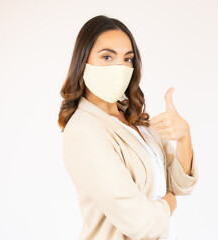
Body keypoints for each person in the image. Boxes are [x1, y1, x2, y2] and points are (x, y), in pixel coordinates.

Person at [58, 15, 199, 240]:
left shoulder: (138, 120)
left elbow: (180, 185)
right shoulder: (83, 132)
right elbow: (139, 223)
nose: (120, 68)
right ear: (83, 61)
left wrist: (184, 136)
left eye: (127, 59)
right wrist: (169, 203)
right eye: (107, 57)